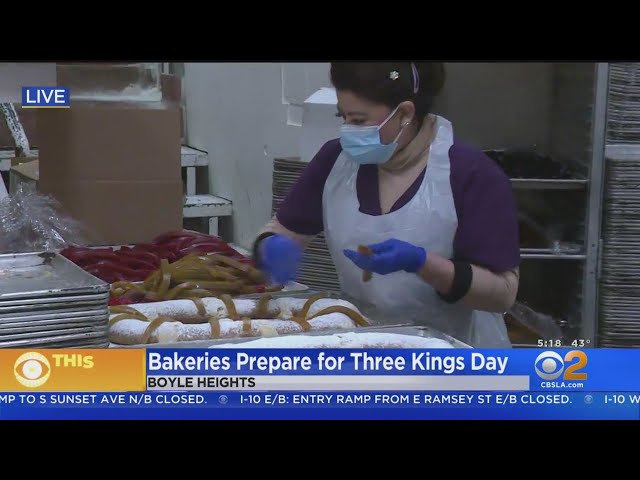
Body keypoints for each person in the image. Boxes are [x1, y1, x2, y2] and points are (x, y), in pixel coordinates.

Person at [252, 62, 520, 348]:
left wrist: (424, 264)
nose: (347, 131)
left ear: (405, 114)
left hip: (455, 352)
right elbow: (281, 229)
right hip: (365, 344)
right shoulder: (335, 162)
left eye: (358, 121)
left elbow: (503, 292)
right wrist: (270, 246)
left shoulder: (471, 174)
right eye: (342, 117)